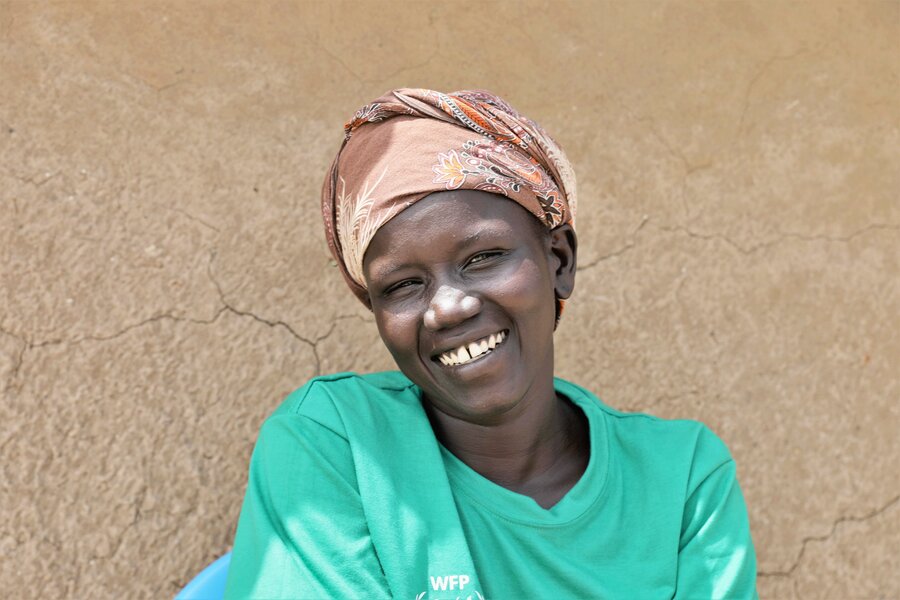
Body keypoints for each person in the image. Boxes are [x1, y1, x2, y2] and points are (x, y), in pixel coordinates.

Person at [224, 89, 758, 599]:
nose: (448, 307)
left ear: (559, 262)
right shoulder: (335, 444)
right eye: (403, 286)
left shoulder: (681, 477)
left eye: (482, 258)